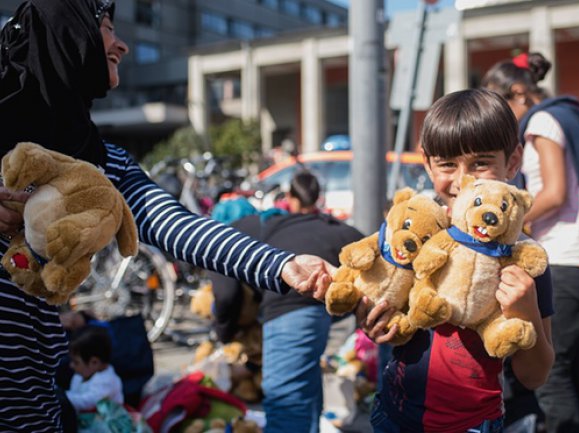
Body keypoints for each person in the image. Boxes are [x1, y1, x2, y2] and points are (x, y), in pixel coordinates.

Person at [0, 1, 333, 431]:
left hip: (31, 402)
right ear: (68, 32)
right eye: (105, 27)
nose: (120, 44)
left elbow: (175, 225)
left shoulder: (101, 161)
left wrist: (283, 264)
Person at [358, 89, 555, 433]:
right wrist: (374, 322)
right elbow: (383, 315)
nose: (463, 180)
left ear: (512, 162)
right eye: (448, 164)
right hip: (391, 415)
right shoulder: (412, 234)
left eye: (481, 163)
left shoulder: (524, 259)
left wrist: (527, 311)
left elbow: (534, 376)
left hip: (472, 425)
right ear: (428, 163)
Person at [482, 52, 579, 433]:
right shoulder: (569, 113)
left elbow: (556, 193)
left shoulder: (541, 122)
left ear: (518, 94)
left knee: (552, 367)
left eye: (500, 106)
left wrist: (513, 223)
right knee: (573, 360)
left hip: (571, 254)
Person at [210, 170, 364, 433]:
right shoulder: (330, 227)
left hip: (290, 309)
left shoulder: (227, 237)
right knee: (303, 387)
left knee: (285, 401)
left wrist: (225, 335)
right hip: (317, 311)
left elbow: (225, 296)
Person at [65, 326, 123, 412]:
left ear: (94, 362)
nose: (71, 365)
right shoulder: (80, 375)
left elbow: (88, 402)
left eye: (76, 362)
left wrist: (62, 396)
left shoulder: (107, 381)